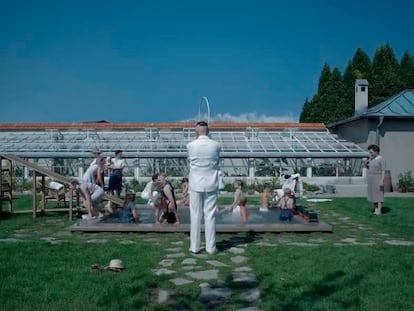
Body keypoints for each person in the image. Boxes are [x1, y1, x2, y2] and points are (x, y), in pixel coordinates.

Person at [187, 121, 221, 255]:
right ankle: (211, 247)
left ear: (196, 131)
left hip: (195, 183)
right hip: (211, 182)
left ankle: (195, 247)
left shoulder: (190, 145)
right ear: (208, 131)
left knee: (195, 215)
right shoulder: (216, 145)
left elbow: (190, 160)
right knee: (210, 215)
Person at [364, 144, 386, 215]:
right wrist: (366, 165)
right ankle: (375, 208)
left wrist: (382, 181)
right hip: (371, 178)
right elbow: (370, 169)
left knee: (378, 194)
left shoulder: (381, 159)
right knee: (373, 194)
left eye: (371, 152)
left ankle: (379, 209)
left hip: (377, 178)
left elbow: (383, 170)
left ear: (376, 151)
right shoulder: (372, 159)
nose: (370, 154)